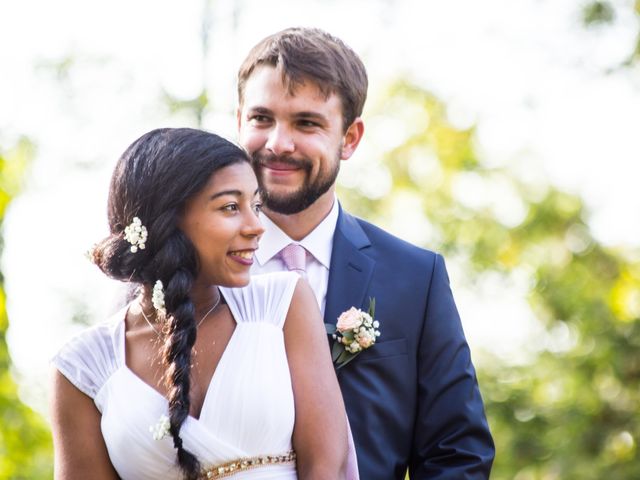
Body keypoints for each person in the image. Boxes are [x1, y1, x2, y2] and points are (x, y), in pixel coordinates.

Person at [236, 27, 495, 479]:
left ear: (350, 138)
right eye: (261, 118)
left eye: (306, 122)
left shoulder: (416, 278)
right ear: (238, 120)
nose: (278, 143)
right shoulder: (187, 267)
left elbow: (458, 453)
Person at [49, 128, 349, 480]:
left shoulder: (282, 303)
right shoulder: (84, 366)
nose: (257, 227)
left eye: (255, 206)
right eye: (230, 207)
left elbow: (327, 465)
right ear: (167, 219)